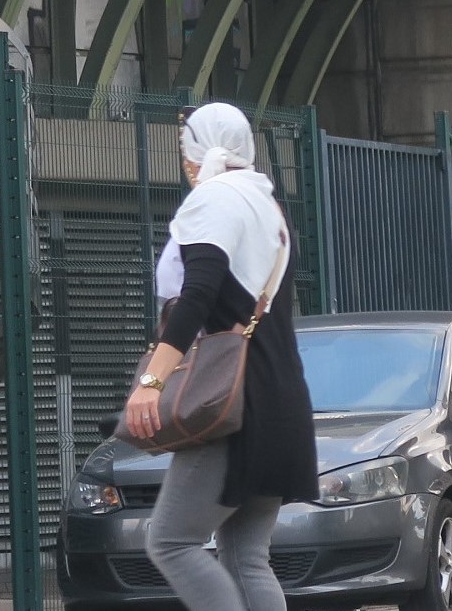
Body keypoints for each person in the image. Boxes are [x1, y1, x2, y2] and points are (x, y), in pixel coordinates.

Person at [123, 103, 318, 610]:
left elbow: (198, 296)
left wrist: (152, 383)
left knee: (171, 541)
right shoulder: (267, 205)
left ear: (197, 150)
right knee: (246, 555)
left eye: (183, 145)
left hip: (230, 402)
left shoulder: (215, 199)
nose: (183, 159)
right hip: (281, 397)